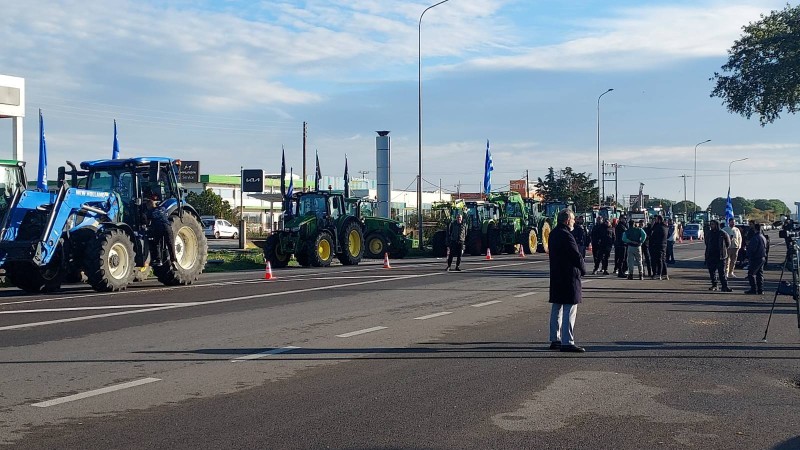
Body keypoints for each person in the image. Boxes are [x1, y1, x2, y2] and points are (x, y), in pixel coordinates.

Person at [547, 209, 586, 353]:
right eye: (573, 219)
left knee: (557, 307)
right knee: (570, 307)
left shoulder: (553, 234)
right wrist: (583, 269)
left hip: (557, 274)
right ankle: (567, 341)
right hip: (568, 276)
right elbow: (575, 255)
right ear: (567, 220)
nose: (574, 221)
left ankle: (555, 339)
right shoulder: (566, 235)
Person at [144, 196, 177, 267]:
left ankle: (158, 260)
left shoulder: (149, 212)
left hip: (158, 227)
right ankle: (173, 260)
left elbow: (147, 223)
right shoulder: (162, 208)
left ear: (149, 206)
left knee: (157, 243)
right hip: (167, 227)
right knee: (170, 243)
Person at [704, 219, 732, 292]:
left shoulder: (723, 233)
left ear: (717, 225)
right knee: (712, 272)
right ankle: (714, 285)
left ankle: (724, 286)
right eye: (711, 224)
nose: (711, 226)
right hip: (711, 255)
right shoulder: (709, 233)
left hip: (721, 256)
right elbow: (706, 242)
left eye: (713, 224)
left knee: (721, 272)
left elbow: (728, 244)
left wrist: (723, 249)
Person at [744, 222, 767, 295]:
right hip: (762, 257)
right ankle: (760, 289)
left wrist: (748, 256)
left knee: (751, 273)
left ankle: (753, 289)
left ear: (755, 229)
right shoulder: (763, 237)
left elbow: (752, 249)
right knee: (760, 274)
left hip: (756, 258)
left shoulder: (755, 238)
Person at [649, 215, 669, 280]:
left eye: (656, 219)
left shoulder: (658, 227)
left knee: (658, 260)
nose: (655, 221)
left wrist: (652, 225)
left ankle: (658, 274)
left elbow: (652, 235)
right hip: (664, 245)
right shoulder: (666, 227)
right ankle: (665, 274)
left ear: (659, 220)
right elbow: (668, 235)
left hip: (657, 245)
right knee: (663, 259)